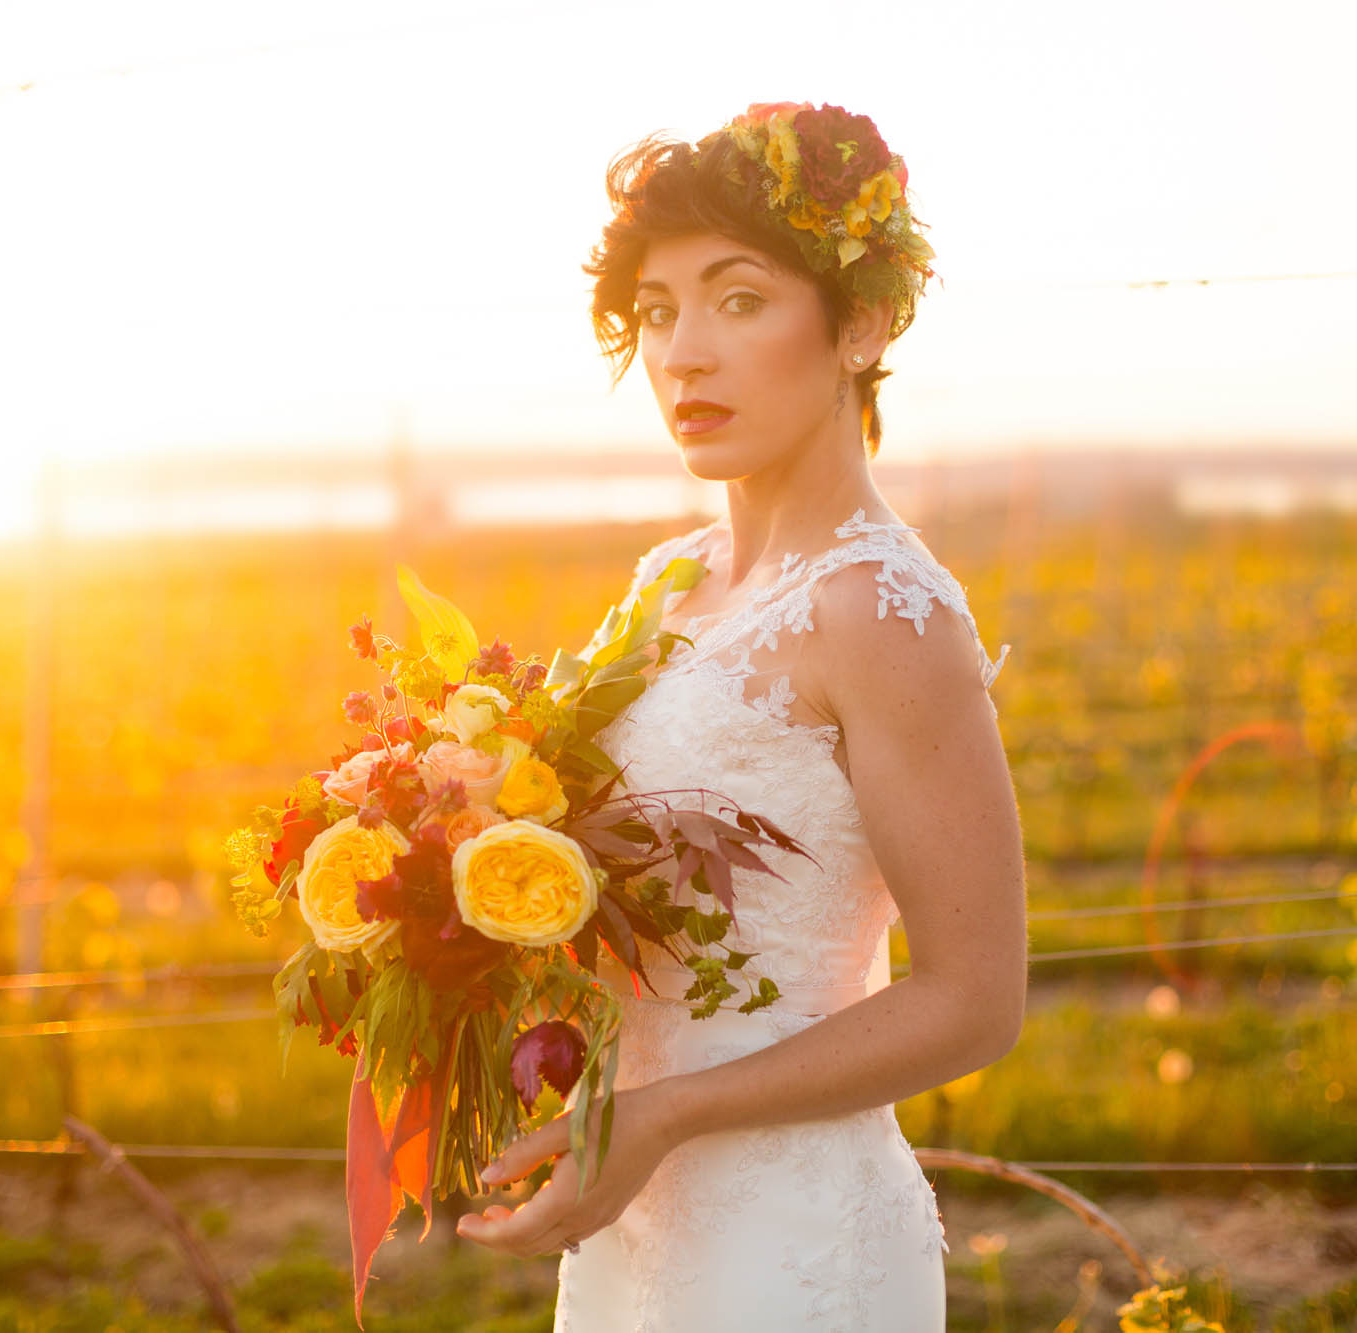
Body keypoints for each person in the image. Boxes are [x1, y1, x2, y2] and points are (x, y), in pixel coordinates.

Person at [454, 101, 1028, 1331]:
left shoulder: (883, 609)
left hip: (790, 1236)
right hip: (631, 1209)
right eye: (656, 312)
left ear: (859, 326)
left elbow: (975, 997)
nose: (682, 354)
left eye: (736, 298)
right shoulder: (665, 583)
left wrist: (666, 1116)